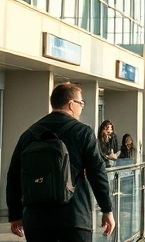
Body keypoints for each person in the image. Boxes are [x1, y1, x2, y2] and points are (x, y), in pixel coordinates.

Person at [6, 82, 114, 241]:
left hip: (36, 219)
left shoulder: (29, 134)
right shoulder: (82, 132)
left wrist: (15, 214)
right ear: (71, 104)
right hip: (74, 217)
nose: (82, 107)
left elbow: (14, 175)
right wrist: (107, 209)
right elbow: (97, 172)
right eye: (81, 103)